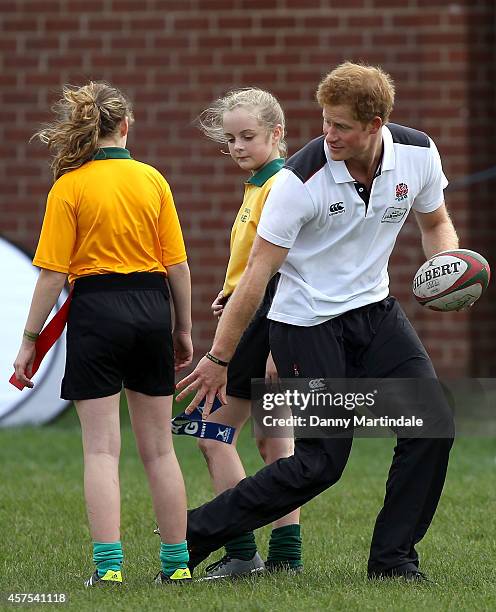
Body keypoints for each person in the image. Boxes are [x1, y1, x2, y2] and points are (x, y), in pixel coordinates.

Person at [176, 62, 457, 581]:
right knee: (322, 463)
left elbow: (436, 222)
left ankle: (393, 560)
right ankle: (194, 535)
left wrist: (445, 267)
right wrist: (219, 357)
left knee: (433, 422)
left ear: (376, 124)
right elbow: (257, 276)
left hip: (374, 311)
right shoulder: (297, 181)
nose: (327, 135)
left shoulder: (418, 153)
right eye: (324, 121)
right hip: (305, 322)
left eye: (341, 126)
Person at [13, 82, 193, 586]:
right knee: (159, 448)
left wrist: (30, 340)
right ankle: (177, 566)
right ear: (126, 126)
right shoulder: (153, 180)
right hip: (153, 306)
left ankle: (109, 570)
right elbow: (176, 264)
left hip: (96, 310)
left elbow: (51, 275)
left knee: (101, 450)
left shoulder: (69, 186)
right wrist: (183, 328)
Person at [193, 88, 302, 579]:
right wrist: (229, 292)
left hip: (269, 325)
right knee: (274, 442)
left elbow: (288, 269)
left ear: (277, 134)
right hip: (263, 318)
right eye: (230, 138)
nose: (237, 146)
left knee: (213, 435)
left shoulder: (281, 186)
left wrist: (277, 342)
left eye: (248, 136)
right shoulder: (260, 186)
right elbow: (254, 266)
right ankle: (286, 556)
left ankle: (241, 554)